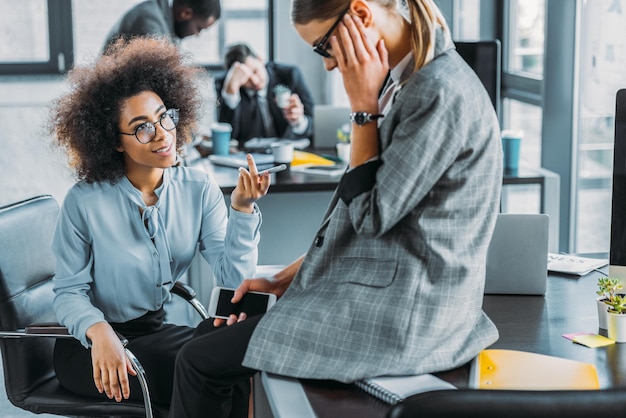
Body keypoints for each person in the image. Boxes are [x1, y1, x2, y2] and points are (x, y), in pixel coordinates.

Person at [169, 0, 502, 416]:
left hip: (406, 317)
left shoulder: (435, 91)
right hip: (386, 291)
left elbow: (372, 217)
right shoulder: (407, 82)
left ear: (360, 16)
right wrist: (287, 277)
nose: (327, 66)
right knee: (206, 336)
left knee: (199, 361)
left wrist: (362, 110)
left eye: (324, 48)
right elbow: (376, 217)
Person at [49, 36, 271, 408]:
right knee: (208, 368)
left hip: (153, 333)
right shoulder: (84, 201)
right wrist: (100, 331)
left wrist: (243, 211)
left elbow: (234, 282)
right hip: (91, 346)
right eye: (142, 127)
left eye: (164, 116)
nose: (163, 133)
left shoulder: (198, 188)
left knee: (230, 352)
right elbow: (68, 292)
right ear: (115, 142)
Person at [214, 42, 315, 145]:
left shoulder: (290, 75)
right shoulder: (226, 85)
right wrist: (231, 92)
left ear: (260, 59)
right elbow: (227, 137)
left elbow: (313, 125)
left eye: (254, 71)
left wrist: (299, 121)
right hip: (249, 155)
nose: (255, 81)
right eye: (246, 79)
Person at [103, 0, 221, 52]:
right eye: (199, 28)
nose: (197, 35)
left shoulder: (161, 19)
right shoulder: (149, 21)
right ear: (185, 13)